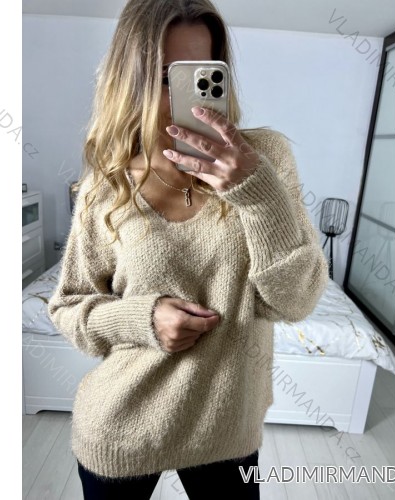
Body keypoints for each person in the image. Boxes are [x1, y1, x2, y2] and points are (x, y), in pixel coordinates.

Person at [48, 0, 329, 498]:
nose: (190, 96)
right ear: (129, 80)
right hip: (121, 427)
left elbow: (295, 301)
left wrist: (256, 193)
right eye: (166, 78)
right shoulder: (107, 187)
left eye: (203, 74)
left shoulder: (265, 159)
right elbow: (68, 306)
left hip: (227, 431)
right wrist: (143, 318)